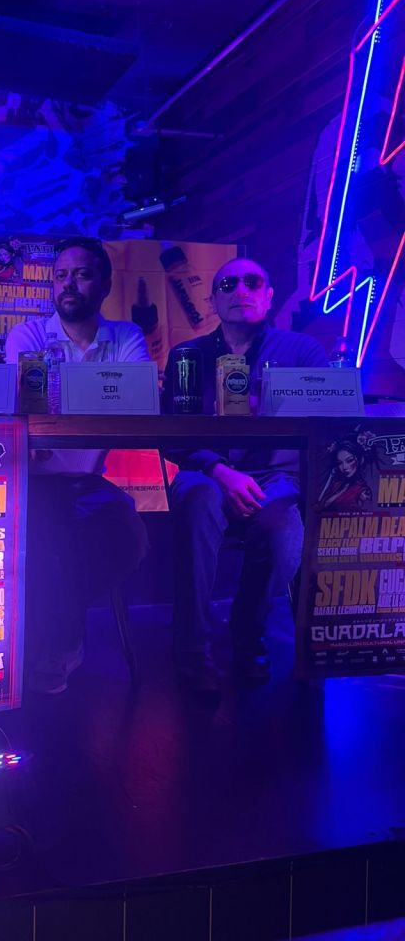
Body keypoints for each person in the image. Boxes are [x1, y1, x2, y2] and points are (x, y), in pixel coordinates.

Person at [163, 257, 327, 693]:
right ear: (213, 300)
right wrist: (219, 470)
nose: (240, 291)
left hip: (277, 476)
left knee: (282, 531)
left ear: (269, 296)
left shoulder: (303, 352)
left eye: (252, 282)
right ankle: (192, 649)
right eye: (228, 284)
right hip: (206, 470)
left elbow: (326, 424)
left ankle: (247, 631)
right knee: (197, 501)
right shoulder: (187, 355)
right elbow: (170, 435)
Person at [5, 236, 149, 693]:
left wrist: (60, 393)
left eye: (82, 275)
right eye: (61, 275)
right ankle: (55, 641)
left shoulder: (126, 336)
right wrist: (105, 392)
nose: (68, 284)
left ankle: (59, 630)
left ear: (104, 285)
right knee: (47, 538)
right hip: (32, 480)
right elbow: (25, 400)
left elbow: (138, 404)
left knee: (129, 539)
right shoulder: (27, 335)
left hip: (87, 479)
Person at [317, 438, 373, 511]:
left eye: (350, 460)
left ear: (360, 460)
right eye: (340, 463)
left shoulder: (363, 491)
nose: (344, 467)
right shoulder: (337, 485)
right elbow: (324, 506)